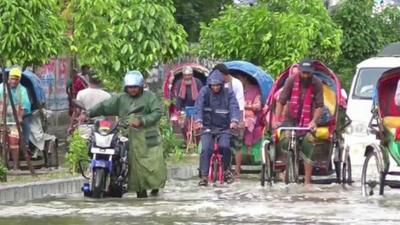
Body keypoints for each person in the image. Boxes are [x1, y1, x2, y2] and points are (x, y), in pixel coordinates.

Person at [84, 70, 166, 198]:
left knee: (151, 166)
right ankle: (134, 189)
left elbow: (157, 112)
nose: (132, 90)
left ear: (140, 87)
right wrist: (88, 113)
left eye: (135, 87)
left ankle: (153, 188)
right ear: (126, 87)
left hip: (147, 139)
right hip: (128, 137)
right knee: (129, 164)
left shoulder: (150, 97)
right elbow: (104, 106)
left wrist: (142, 120)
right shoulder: (121, 99)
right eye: (130, 87)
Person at [274, 59, 324, 185]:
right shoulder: (290, 81)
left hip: (309, 121)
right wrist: (276, 120)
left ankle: (307, 181)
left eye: (308, 73)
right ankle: (286, 168)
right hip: (290, 119)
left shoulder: (317, 83)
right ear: (300, 71)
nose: (306, 75)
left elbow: (319, 106)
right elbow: (281, 101)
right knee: (285, 140)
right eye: (304, 73)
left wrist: (314, 121)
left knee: (309, 142)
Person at [194, 70, 240, 186]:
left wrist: (234, 121)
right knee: (206, 148)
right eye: (213, 85)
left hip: (224, 127)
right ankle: (204, 175)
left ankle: (226, 171)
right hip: (207, 127)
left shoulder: (229, 93)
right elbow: (199, 106)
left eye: (218, 85)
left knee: (225, 146)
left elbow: (234, 107)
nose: (215, 87)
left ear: (221, 84)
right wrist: (199, 121)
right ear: (210, 85)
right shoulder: (204, 92)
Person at [212, 63, 245, 176]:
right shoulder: (219, 85)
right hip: (222, 117)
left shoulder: (236, 84)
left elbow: (240, 103)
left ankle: (237, 170)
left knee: (237, 143)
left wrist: (239, 120)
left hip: (235, 115)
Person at [0, 66, 31, 170]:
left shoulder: (22, 90)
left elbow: (25, 106)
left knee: (14, 143)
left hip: (14, 122)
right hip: (2, 121)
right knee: (2, 143)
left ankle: (15, 166)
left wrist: (19, 117)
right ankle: (3, 166)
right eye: (12, 78)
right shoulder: (1, 88)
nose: (14, 81)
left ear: (19, 80)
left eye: (16, 79)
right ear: (8, 78)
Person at [235, 73, 263, 177]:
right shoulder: (235, 89)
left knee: (247, 123)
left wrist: (245, 106)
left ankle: (248, 145)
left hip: (250, 117)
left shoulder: (255, 90)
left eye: (240, 77)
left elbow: (258, 106)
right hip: (236, 116)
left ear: (245, 78)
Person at [174, 66, 203, 144]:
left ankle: (197, 142)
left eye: (189, 75)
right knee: (183, 125)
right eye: (185, 75)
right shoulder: (179, 83)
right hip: (184, 108)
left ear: (192, 75)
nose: (187, 77)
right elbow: (178, 98)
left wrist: (199, 108)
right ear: (183, 75)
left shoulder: (198, 82)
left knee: (197, 126)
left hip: (196, 107)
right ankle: (187, 141)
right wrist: (179, 110)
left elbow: (201, 97)